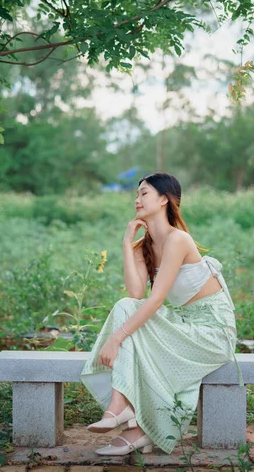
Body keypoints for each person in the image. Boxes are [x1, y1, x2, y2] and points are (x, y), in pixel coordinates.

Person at [80, 172, 243, 456]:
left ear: (164, 199)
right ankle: (127, 415)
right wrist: (126, 245)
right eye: (137, 194)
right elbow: (134, 295)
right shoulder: (146, 247)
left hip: (212, 332)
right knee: (124, 307)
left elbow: (154, 301)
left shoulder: (177, 239)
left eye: (144, 193)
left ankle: (126, 415)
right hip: (185, 325)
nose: (137, 199)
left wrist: (116, 339)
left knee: (129, 326)